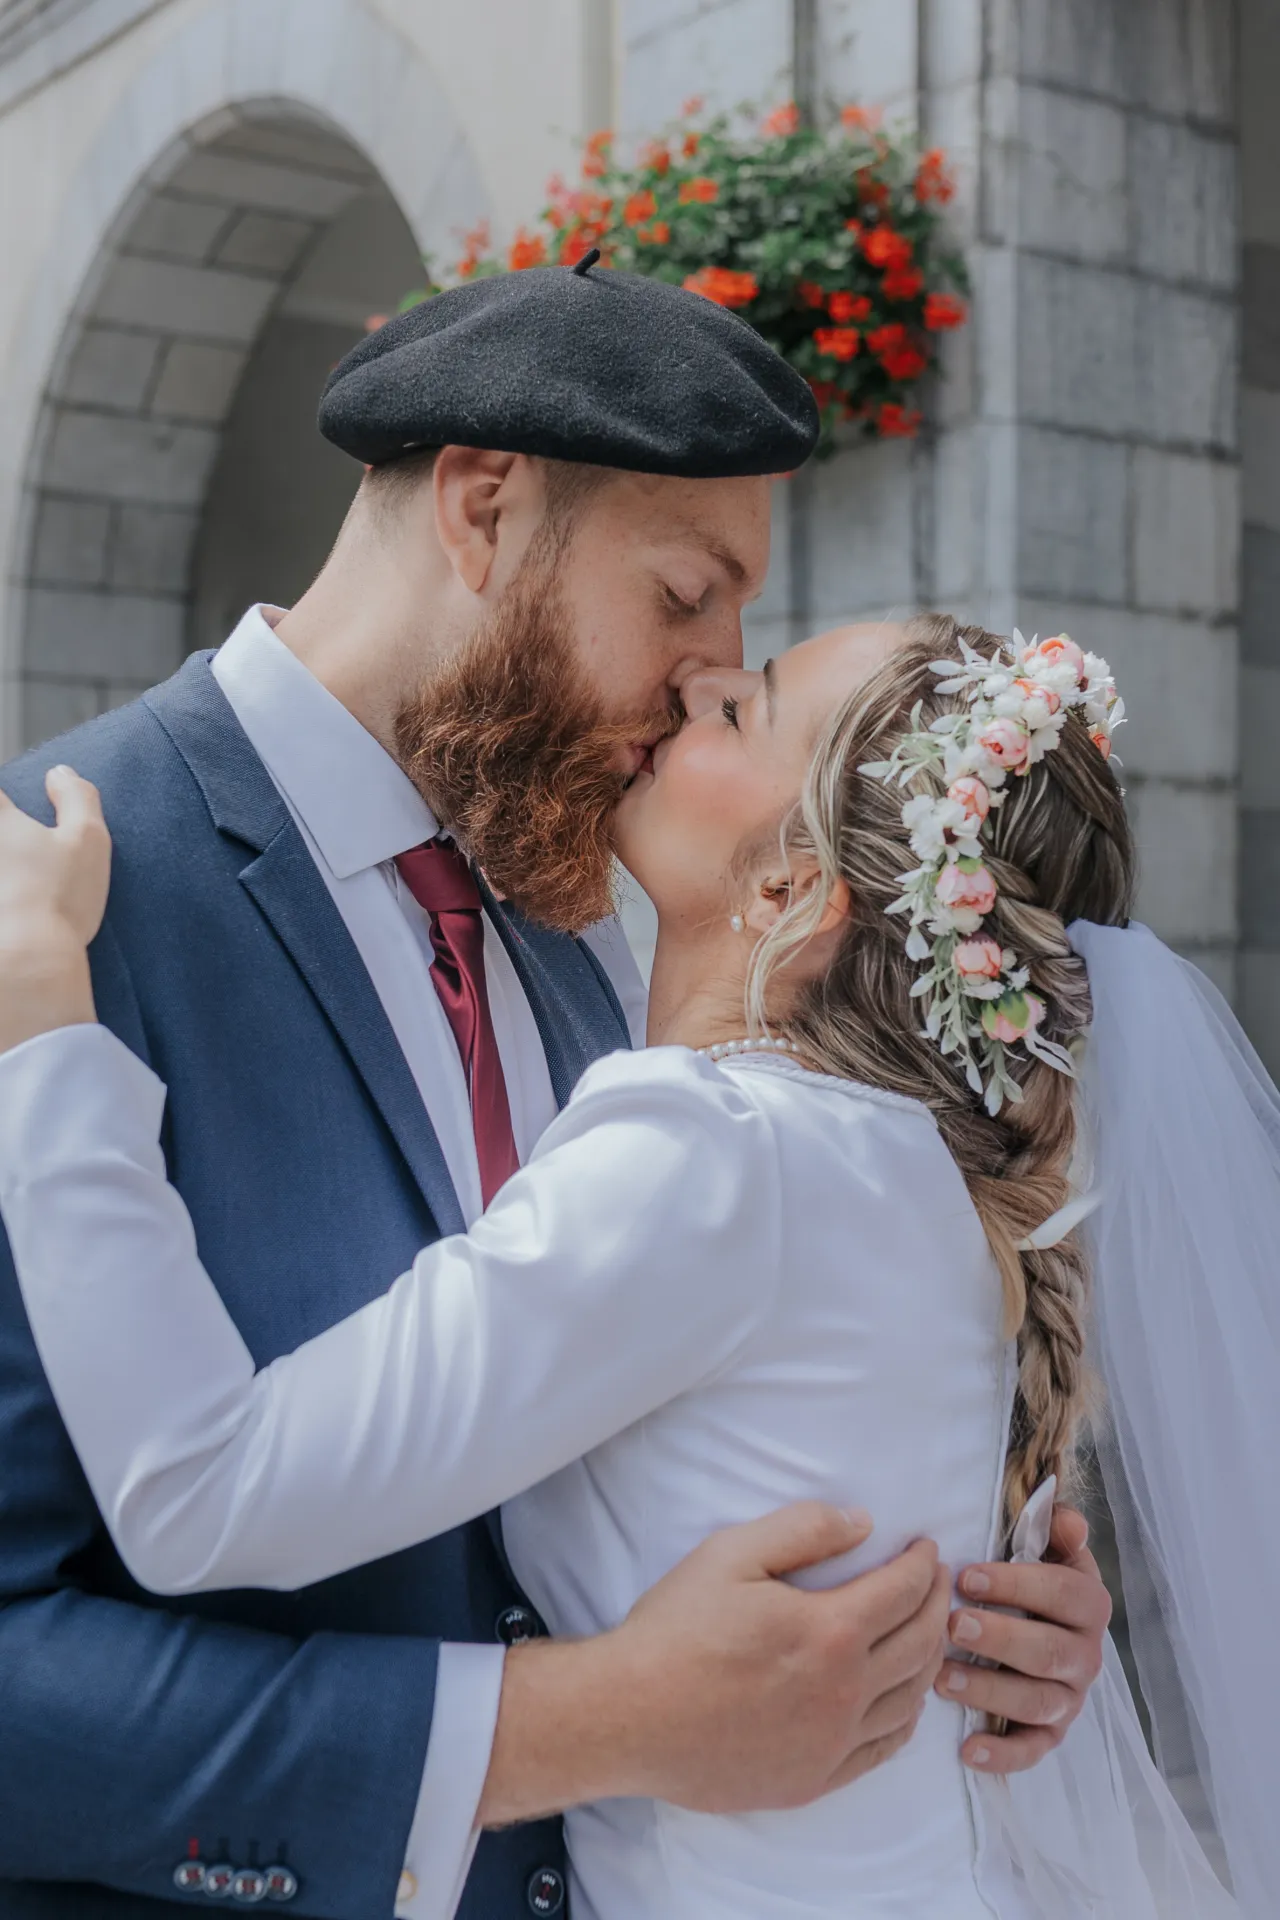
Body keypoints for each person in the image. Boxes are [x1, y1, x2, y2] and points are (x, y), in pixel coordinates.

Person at [0, 265, 1110, 1920]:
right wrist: (575, 1730)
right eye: (685, 593)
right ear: (486, 509)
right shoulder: (54, 910)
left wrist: (968, 1622)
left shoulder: (629, 929)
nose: (705, 677)